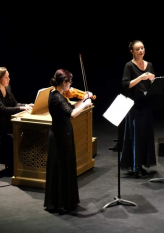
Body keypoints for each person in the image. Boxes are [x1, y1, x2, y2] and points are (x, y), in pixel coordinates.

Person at [44, 69, 93, 214]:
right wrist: (86, 104)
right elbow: (71, 114)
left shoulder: (57, 95)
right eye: (70, 82)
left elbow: (70, 108)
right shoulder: (57, 97)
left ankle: (65, 201)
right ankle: (59, 203)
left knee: (65, 167)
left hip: (63, 134)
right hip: (60, 136)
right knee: (61, 167)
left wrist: (83, 100)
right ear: (64, 82)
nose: (71, 85)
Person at [120, 40, 157, 178]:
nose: (141, 50)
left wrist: (153, 81)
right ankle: (136, 167)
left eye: (142, 48)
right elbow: (125, 85)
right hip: (135, 106)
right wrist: (141, 77)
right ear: (132, 51)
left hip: (146, 104)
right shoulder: (129, 66)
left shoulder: (150, 65)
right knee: (136, 135)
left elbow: (152, 85)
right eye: (138, 49)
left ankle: (143, 163)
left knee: (146, 134)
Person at [0, 67, 33, 174]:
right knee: (12, 136)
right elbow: (2, 109)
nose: (9, 79)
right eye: (6, 77)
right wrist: (22, 108)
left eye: (8, 77)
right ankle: (10, 164)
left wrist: (26, 105)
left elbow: (14, 104)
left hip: (6, 121)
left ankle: (16, 162)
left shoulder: (8, 88)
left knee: (21, 132)